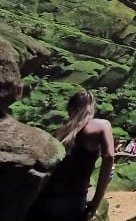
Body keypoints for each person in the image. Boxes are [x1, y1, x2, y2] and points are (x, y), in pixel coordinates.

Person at [26, 91, 114, 221]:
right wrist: (96, 201)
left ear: (71, 109)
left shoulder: (60, 131)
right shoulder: (102, 125)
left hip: (45, 198)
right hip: (73, 198)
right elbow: (109, 157)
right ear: (92, 108)